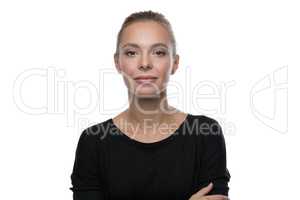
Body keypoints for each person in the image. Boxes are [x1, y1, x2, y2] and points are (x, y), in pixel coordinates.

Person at [70, 10, 231, 200]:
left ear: (175, 63)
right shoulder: (94, 142)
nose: (145, 63)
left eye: (158, 52)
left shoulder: (205, 133)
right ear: (117, 62)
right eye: (131, 52)